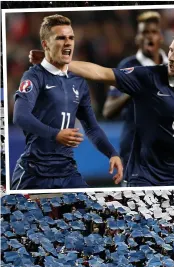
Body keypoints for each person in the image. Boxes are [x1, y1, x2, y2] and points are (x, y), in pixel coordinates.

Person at [65, 28, 174, 187]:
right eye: (171, 51)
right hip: (141, 179)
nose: (171, 57)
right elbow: (102, 73)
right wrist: (60, 62)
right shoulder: (149, 77)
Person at [12, 14, 122, 190]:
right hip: (35, 171)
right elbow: (20, 116)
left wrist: (112, 154)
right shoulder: (34, 76)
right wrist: (56, 134)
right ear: (45, 44)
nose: (68, 42)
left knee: (93, 215)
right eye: (61, 38)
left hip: (67, 171)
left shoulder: (79, 82)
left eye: (71, 37)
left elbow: (92, 127)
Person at [103, 11, 168, 165]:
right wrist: (131, 93)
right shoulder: (127, 67)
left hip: (168, 155)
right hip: (134, 154)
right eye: (144, 32)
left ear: (161, 36)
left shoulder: (173, 66)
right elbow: (108, 111)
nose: (149, 37)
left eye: (154, 32)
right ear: (137, 38)